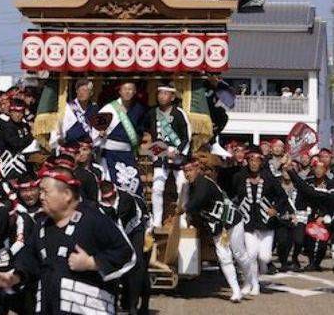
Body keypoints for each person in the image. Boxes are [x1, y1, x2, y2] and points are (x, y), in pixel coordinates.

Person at [0, 167, 135, 315]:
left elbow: (126, 254)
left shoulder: (93, 219)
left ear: (66, 194)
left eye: (46, 192)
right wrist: (13, 277)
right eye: (40, 192)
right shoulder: (41, 225)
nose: (41, 197)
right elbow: (29, 258)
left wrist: (92, 263)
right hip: (48, 306)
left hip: (89, 308)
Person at [180, 160, 256, 302]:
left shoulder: (204, 182)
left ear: (197, 169)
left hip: (231, 221)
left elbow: (198, 200)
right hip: (216, 226)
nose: (187, 174)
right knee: (224, 257)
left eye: (189, 170)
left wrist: (185, 208)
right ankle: (236, 290)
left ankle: (249, 280)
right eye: (185, 171)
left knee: (239, 254)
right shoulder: (190, 187)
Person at [231, 146, 291, 279]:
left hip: (266, 224)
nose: (254, 163)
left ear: (261, 162)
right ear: (247, 161)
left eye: (257, 160)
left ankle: (262, 268)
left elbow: (283, 197)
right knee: (251, 254)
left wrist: (275, 209)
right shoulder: (239, 177)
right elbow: (231, 194)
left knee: (265, 257)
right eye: (251, 159)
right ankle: (253, 284)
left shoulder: (269, 178)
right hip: (248, 223)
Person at [142, 84, 191, 227]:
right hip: (160, 154)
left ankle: (183, 219)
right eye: (159, 93)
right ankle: (156, 221)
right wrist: (156, 150)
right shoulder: (152, 113)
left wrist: (178, 151)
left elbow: (186, 136)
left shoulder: (179, 113)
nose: (161, 96)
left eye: (165, 93)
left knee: (182, 186)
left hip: (178, 156)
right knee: (157, 187)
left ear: (172, 97)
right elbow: (146, 132)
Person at [99, 180, 149, 315]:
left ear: (115, 192)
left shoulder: (126, 200)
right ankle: (114, 302)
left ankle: (136, 305)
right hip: (114, 233)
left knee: (137, 264)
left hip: (134, 229)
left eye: (111, 198)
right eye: (105, 199)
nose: (109, 200)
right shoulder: (98, 202)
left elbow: (116, 221)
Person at [93, 81, 147, 194]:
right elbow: (96, 128)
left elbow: (140, 130)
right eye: (125, 89)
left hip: (128, 154)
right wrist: (100, 133)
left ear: (135, 92)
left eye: (131, 89)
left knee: (133, 184)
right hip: (109, 155)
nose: (128, 92)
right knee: (111, 184)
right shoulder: (109, 108)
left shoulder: (138, 109)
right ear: (120, 91)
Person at [59, 78, 99, 146]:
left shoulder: (94, 108)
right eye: (79, 90)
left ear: (91, 93)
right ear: (76, 91)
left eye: (85, 90)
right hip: (72, 146)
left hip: (88, 147)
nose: (81, 93)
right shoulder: (67, 108)